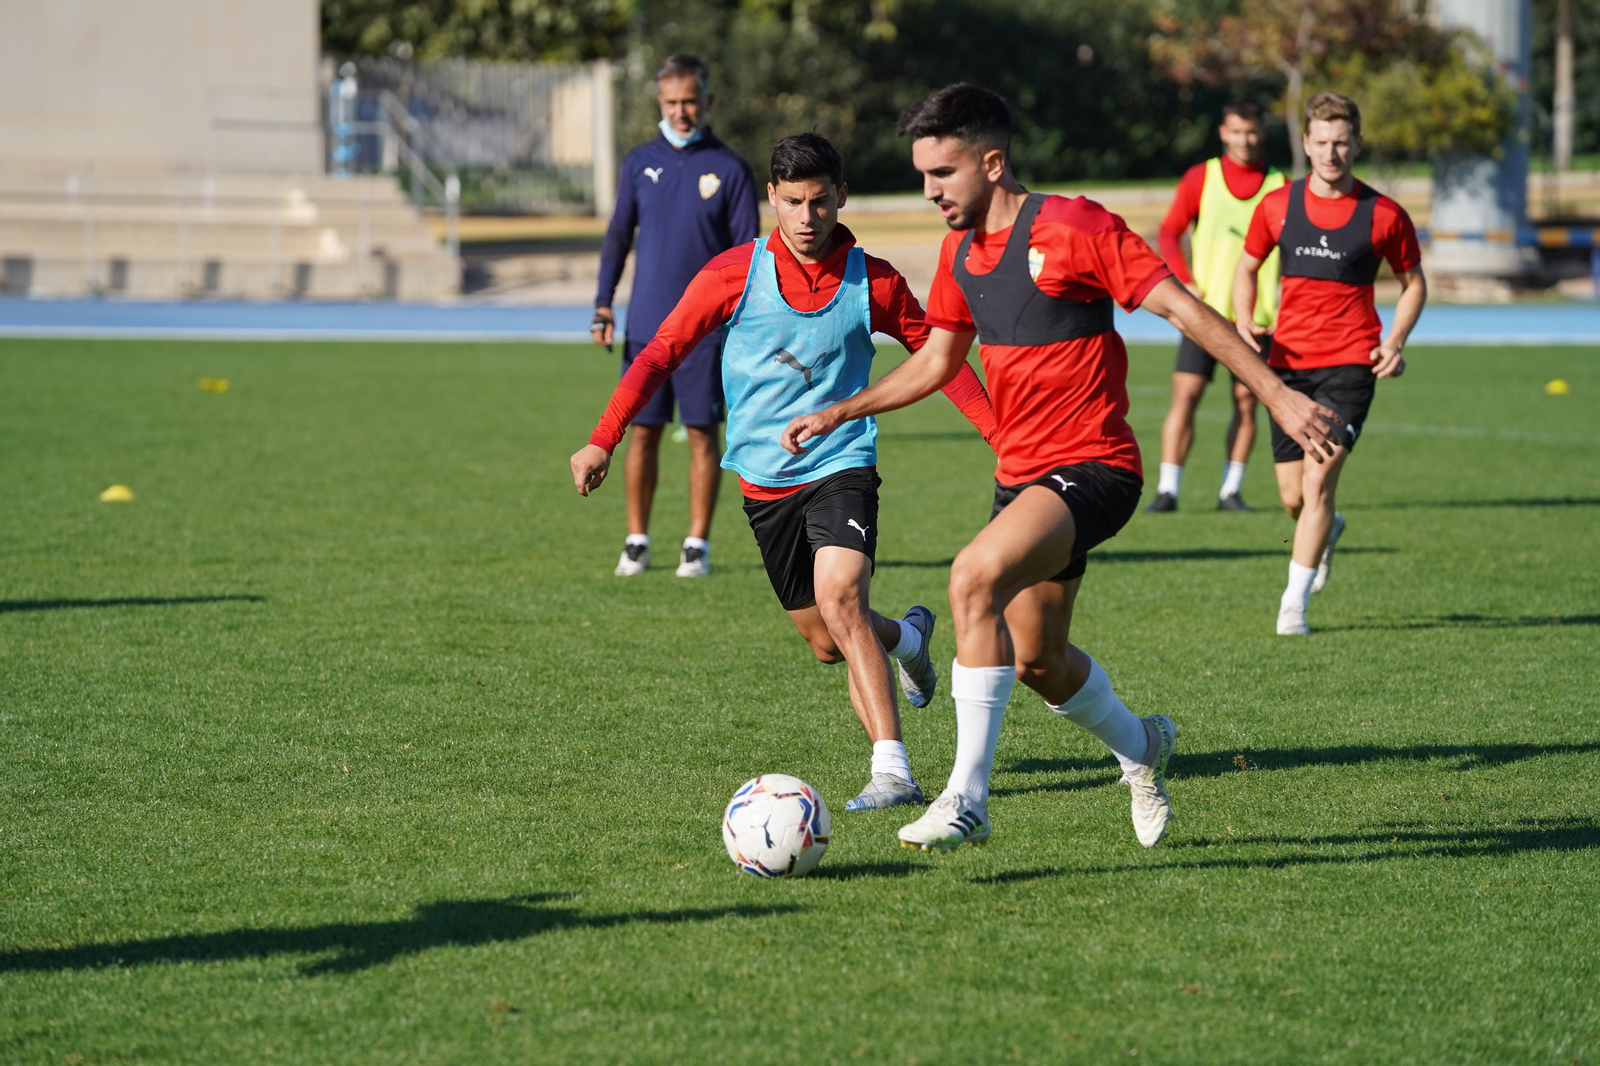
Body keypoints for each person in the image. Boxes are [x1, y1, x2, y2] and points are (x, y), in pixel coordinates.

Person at [780, 84, 1342, 851]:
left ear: (993, 161)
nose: (930, 192)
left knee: (971, 576)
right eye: (923, 175)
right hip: (1024, 478)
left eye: (943, 173)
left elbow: (1181, 308)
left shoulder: (1076, 226)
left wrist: (1276, 393)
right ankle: (1144, 748)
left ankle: (966, 798)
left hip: (1098, 467)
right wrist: (844, 409)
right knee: (1040, 660)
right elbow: (939, 362)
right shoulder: (959, 254)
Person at [571, 133, 1000, 812]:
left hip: (843, 462)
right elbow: (657, 354)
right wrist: (603, 439)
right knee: (829, 640)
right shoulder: (730, 275)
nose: (807, 217)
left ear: (841, 198)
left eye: (820, 201)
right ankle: (908, 639)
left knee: (842, 597)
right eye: (794, 202)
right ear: (773, 197)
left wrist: (1000, 436)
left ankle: (892, 770)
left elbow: (940, 361)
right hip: (766, 484)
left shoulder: (875, 280)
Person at [1233, 92, 1425, 636]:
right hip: (1286, 368)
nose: (1331, 153)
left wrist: (1395, 340)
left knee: (1317, 484)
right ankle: (1328, 530)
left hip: (1349, 366)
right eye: (1321, 142)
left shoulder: (1384, 214)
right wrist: (1245, 319)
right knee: (1295, 498)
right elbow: (1247, 268)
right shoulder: (1277, 206)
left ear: (1357, 144)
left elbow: (1415, 284)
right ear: (1306, 144)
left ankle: (1293, 604)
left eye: (1342, 143)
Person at [592, 54, 760, 578]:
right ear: (660, 103)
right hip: (646, 326)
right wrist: (603, 302)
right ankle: (637, 540)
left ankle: (696, 545)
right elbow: (619, 235)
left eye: (690, 101)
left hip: (707, 333)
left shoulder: (730, 168)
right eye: (671, 102)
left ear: (707, 101)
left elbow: (747, 254)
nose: (681, 111)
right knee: (640, 432)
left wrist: (742, 323)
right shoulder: (639, 162)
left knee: (704, 432)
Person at [1149, 100, 1287, 513]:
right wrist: (1186, 283)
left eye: (1252, 132)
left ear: (1261, 133)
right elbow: (1169, 233)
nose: (1245, 140)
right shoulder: (1201, 177)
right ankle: (1167, 489)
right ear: (1223, 133)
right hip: (1204, 315)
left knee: (1247, 403)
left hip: (1257, 319)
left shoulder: (1280, 184)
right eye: (1236, 131)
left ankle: (1231, 490)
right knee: (1186, 395)